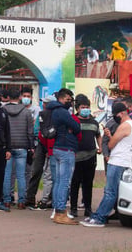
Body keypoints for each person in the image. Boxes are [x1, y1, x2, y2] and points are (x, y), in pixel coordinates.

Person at [80, 103, 132, 227]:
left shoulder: (124, 126)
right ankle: (99, 215)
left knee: (110, 192)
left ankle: (100, 217)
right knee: (111, 191)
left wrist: (110, 137)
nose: (115, 118)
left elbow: (111, 145)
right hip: (123, 161)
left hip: (117, 161)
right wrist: (111, 136)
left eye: (115, 115)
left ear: (121, 113)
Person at [47, 88, 81, 225]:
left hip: (57, 147)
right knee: (64, 182)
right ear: (63, 98)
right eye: (69, 99)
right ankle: (61, 212)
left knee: (59, 181)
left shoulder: (54, 110)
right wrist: (73, 127)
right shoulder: (62, 112)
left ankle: (57, 211)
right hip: (66, 147)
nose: (70, 102)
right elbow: (76, 127)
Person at [70, 94, 102, 218]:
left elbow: (98, 135)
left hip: (91, 156)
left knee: (88, 183)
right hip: (76, 157)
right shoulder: (73, 121)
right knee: (75, 183)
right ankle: (73, 208)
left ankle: (88, 208)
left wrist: (99, 147)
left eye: (87, 107)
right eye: (83, 107)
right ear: (77, 108)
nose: (85, 109)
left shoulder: (94, 122)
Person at [3, 88, 34, 210]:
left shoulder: (3, 110)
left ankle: (6, 200)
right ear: (20, 97)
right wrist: (31, 146)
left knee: (7, 174)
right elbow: (30, 132)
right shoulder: (26, 112)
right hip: (22, 146)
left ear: (8, 97)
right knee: (21, 175)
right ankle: (21, 201)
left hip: (8, 147)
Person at [26, 94, 56, 209]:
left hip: (50, 145)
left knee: (49, 174)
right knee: (36, 171)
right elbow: (36, 130)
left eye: (45, 103)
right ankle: (31, 197)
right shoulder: (41, 114)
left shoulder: (55, 116)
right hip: (40, 144)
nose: (43, 104)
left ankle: (48, 198)